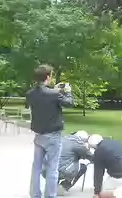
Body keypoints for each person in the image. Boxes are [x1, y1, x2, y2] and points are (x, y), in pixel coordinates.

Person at [26, 65, 74, 198]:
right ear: (48, 76)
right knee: (52, 167)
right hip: (53, 135)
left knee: (36, 167)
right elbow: (69, 103)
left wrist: (55, 90)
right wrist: (67, 91)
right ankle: (50, 195)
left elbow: (44, 99)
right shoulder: (54, 94)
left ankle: (35, 194)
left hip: (39, 134)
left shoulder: (30, 94)